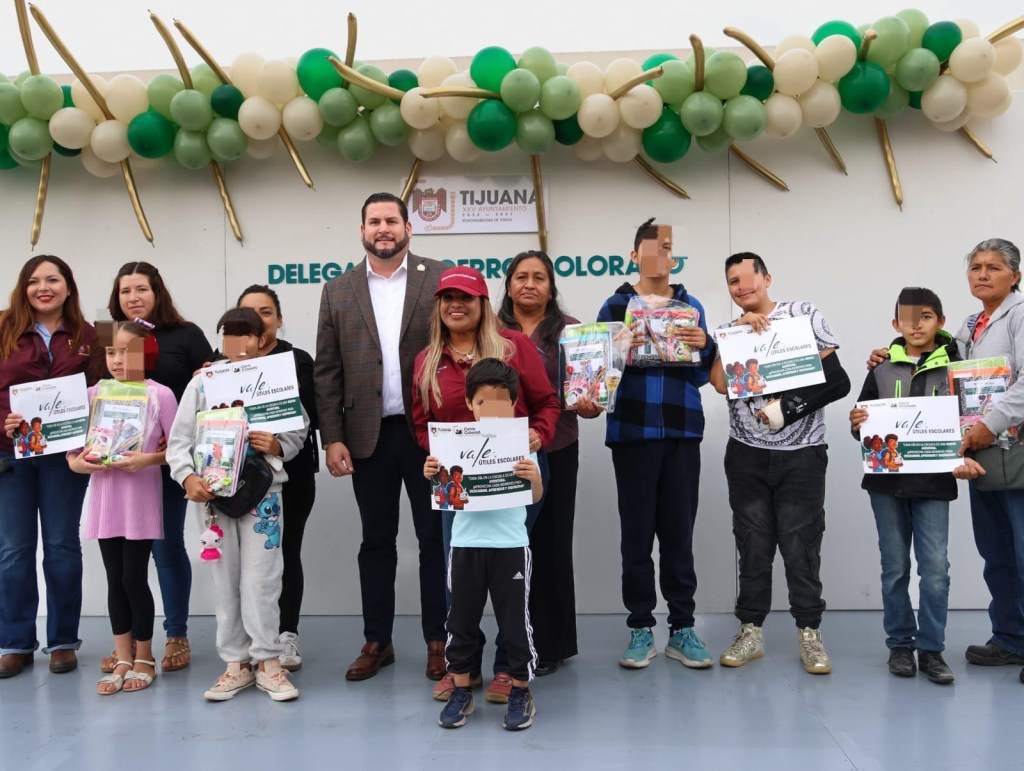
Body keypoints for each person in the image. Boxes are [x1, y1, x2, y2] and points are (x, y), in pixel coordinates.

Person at [314, 192, 448, 682]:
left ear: (409, 228)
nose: (383, 228)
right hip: (366, 437)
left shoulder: (437, 278)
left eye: (392, 220)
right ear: (362, 230)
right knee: (376, 541)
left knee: (435, 540)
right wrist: (332, 437)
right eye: (374, 221)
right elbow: (326, 372)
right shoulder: (338, 290)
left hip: (430, 435)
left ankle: (440, 639)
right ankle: (378, 641)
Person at [411, 265, 559, 702]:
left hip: (515, 476)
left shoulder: (513, 347)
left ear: (482, 304)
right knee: (460, 578)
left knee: (510, 577)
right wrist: (433, 453)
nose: (456, 305)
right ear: (438, 306)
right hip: (455, 484)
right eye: (448, 298)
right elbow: (421, 425)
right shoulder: (426, 361)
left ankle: (506, 669)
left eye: (467, 298)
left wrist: (539, 435)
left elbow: (548, 402)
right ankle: (464, 668)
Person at [583, 218, 717, 671]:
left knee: (679, 533)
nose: (661, 254)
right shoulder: (615, 304)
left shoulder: (690, 304)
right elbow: (597, 375)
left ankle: (682, 628)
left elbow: (706, 374)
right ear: (635, 254)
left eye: (668, 246)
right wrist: (618, 346)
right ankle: (640, 627)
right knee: (636, 536)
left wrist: (706, 344)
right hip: (633, 435)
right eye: (652, 247)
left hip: (682, 432)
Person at [709, 252, 850, 675]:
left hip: (802, 454)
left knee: (801, 544)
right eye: (733, 282)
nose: (741, 288)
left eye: (747, 279)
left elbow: (838, 379)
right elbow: (718, 383)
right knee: (751, 544)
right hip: (746, 452)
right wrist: (733, 337)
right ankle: (750, 630)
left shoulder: (802, 315)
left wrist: (788, 408)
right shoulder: (731, 330)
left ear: (767, 278)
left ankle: (810, 633)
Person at [167, 308, 308, 702]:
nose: (239, 343)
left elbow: (299, 430)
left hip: (264, 495)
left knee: (263, 578)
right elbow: (179, 441)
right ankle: (236, 663)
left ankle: (269, 661)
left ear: (263, 338)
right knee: (224, 579)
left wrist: (278, 445)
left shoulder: (278, 381)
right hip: (212, 497)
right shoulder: (203, 384)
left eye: (247, 335)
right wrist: (188, 477)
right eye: (230, 335)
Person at [106, 261, 213, 674]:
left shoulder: (185, 335)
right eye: (125, 291)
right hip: (120, 470)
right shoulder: (111, 335)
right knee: (122, 561)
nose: (133, 297)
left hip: (167, 465)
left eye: (141, 289)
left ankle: (176, 634)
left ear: (157, 292)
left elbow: (208, 391)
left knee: (165, 549)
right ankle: (130, 646)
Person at [424, 358, 542, 731]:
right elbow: (444, 493)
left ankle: (520, 689)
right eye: (483, 404)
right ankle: (461, 689)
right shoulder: (452, 443)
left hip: (510, 546)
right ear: (470, 405)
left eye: (501, 404)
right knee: (459, 621)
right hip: (466, 546)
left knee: (515, 624)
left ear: (513, 405)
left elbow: (536, 496)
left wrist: (533, 475)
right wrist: (431, 473)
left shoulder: (521, 444)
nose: (491, 412)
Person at [849, 287, 957, 684]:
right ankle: (899, 644)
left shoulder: (956, 366)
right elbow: (860, 424)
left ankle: (932, 650)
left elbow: (969, 417)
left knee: (936, 571)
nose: (916, 324)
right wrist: (858, 423)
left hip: (934, 484)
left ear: (940, 323)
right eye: (908, 317)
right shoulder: (879, 367)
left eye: (926, 316)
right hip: (886, 485)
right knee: (894, 568)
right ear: (896, 324)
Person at [0, 255, 96, 679]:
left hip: (65, 459)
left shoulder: (90, 335)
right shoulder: (2, 328)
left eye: (53, 279)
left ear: (68, 287)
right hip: (9, 456)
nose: (44, 287)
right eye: (34, 281)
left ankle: (62, 641)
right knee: (13, 552)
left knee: (60, 547)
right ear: (23, 288)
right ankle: (15, 642)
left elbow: (105, 391)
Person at [70, 321, 178, 694]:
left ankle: (145, 655)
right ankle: (121, 656)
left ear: (145, 352)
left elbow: (178, 450)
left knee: (134, 576)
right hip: (105, 497)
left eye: (126, 351)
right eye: (111, 352)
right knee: (114, 578)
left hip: (140, 497)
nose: (117, 360)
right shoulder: (92, 394)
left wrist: (147, 460)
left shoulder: (160, 394)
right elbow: (72, 454)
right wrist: (81, 462)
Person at [498, 250, 581, 676]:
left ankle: (549, 644)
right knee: (509, 549)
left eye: (539, 277)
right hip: (500, 454)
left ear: (551, 286)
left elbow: (590, 400)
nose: (529, 284)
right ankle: (510, 645)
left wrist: (591, 402)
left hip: (558, 447)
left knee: (550, 544)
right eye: (520, 276)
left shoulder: (573, 332)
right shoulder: (489, 330)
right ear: (508, 284)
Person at [945, 239, 1024, 683]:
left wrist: (989, 424)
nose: (982, 274)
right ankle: (1011, 638)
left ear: (1015, 276)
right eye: (975, 266)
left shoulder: (1021, 315)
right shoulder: (972, 323)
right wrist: (891, 351)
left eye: (993, 267)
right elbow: (944, 367)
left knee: (1023, 551)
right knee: (996, 553)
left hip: (1015, 446)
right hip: (984, 454)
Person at [237, 285, 319, 672]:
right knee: (244, 561)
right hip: (233, 481)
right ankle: (248, 639)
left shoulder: (298, 360)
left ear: (280, 319)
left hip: (292, 474)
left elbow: (314, 417)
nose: (257, 320)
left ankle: (285, 636)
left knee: (286, 552)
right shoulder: (217, 363)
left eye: (266, 312)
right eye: (248, 313)